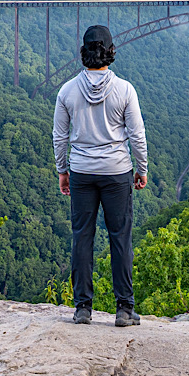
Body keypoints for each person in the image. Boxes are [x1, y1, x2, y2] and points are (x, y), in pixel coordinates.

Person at [53, 24, 148, 326]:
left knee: (82, 237)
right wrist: (141, 169)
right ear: (110, 53)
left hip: (81, 172)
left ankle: (83, 308)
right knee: (120, 239)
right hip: (117, 172)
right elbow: (137, 135)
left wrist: (62, 170)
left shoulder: (67, 91)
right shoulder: (125, 90)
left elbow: (59, 136)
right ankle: (124, 309)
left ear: (83, 54)